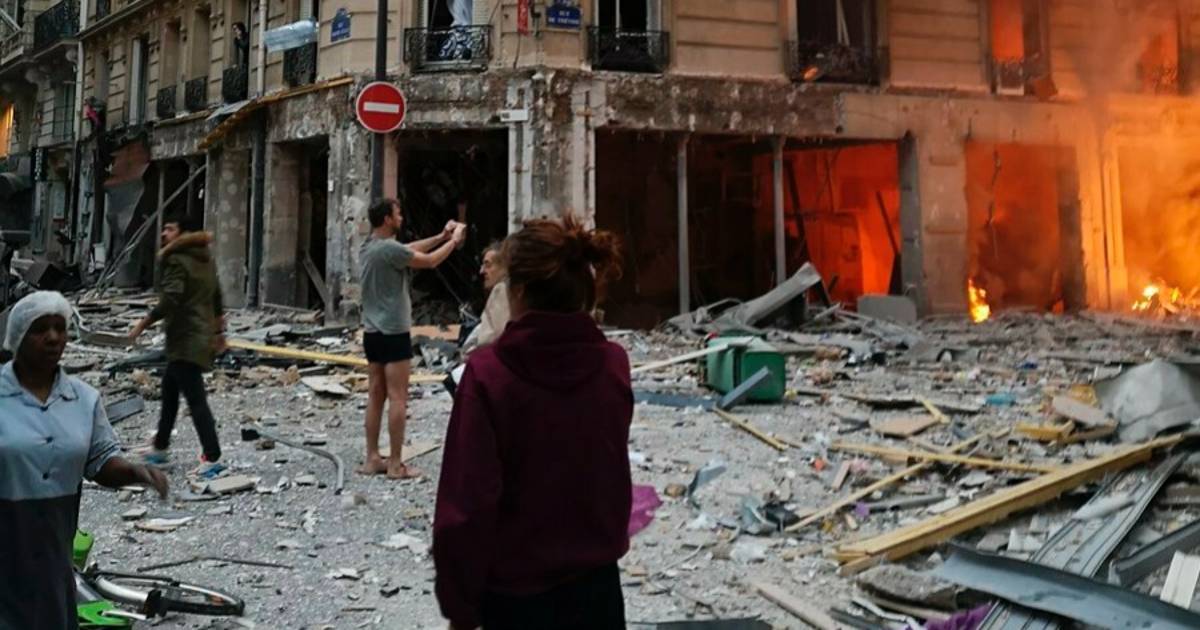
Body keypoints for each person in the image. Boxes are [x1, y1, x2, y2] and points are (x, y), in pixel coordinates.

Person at [433, 216, 631, 630]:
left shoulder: (489, 375)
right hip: (596, 590)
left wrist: (460, 606)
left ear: (519, 291)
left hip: (514, 596)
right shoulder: (613, 365)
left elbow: (467, 505)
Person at [0, 291, 168, 630]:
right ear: (17, 337)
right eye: (40, 329)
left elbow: (100, 462)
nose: (53, 338)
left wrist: (137, 472)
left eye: (59, 328)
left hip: (53, 550)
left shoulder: (83, 399)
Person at [360, 198, 465, 479]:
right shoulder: (389, 249)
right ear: (387, 219)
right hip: (394, 332)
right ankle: (396, 464)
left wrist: (441, 236)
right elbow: (429, 261)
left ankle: (372, 458)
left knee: (375, 394)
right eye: (397, 214)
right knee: (398, 398)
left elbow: (409, 250)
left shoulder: (370, 247)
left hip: (372, 332)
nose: (402, 218)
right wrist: (454, 241)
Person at [130, 218, 226, 477]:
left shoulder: (176, 259)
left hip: (185, 338)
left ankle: (212, 457)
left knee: (196, 399)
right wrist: (219, 333)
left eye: (170, 229)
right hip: (197, 336)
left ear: (183, 233)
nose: (164, 233)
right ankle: (160, 448)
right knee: (170, 391)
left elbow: (171, 298)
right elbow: (217, 298)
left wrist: (142, 324)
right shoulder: (205, 258)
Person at [461, 241, 511, 355]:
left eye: (488, 265)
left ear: (504, 266)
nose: (482, 271)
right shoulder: (508, 290)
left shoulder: (502, 290)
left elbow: (490, 339)